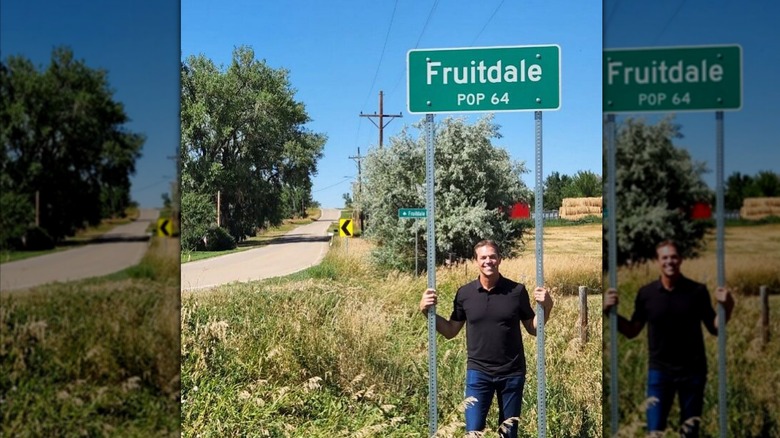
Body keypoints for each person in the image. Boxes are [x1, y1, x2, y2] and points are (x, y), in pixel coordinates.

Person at [419, 239, 553, 438]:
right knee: (473, 432)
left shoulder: (516, 291)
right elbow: (450, 331)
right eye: (483, 257)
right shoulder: (465, 294)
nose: (488, 261)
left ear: (500, 259)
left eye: (492, 256)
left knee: (508, 433)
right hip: (478, 373)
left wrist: (547, 307)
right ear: (476, 261)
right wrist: (425, 311)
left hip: (512, 373)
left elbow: (533, 329)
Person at [603, 239, 735, 437]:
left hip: (693, 371)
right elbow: (632, 330)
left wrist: (728, 307)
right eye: (665, 257)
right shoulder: (646, 294)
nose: (670, 261)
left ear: (680, 259)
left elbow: (715, 328)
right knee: (655, 431)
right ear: (658, 261)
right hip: (659, 372)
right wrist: (608, 311)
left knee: (690, 432)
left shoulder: (697, 291)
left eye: (674, 257)